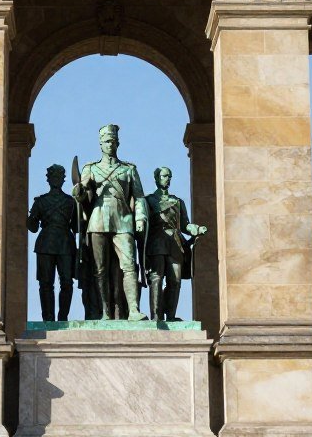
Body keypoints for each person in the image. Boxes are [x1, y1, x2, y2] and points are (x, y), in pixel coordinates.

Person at [72, 123, 148, 321]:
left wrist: (140, 217)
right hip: (97, 220)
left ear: (118, 143)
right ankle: (104, 312)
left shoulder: (129, 169)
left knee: (130, 264)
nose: (110, 145)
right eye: (106, 141)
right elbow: (83, 194)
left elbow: (139, 197)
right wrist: (78, 192)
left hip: (123, 220)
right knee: (99, 269)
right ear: (100, 144)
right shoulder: (91, 168)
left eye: (113, 141)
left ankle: (133, 310)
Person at [144, 166, 207, 322]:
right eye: (164, 176)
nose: (167, 179)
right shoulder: (149, 200)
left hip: (175, 244)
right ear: (156, 178)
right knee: (156, 279)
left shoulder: (178, 201)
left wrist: (196, 229)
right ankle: (156, 316)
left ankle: (170, 316)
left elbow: (185, 225)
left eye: (169, 176)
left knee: (175, 280)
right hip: (157, 242)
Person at [27, 163, 77, 322]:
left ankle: (63, 317)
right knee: (46, 283)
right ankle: (48, 318)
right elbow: (33, 227)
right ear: (48, 179)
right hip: (46, 244)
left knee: (67, 283)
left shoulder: (71, 202)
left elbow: (76, 226)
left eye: (59, 177)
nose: (56, 180)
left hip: (64, 245)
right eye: (53, 177)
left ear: (63, 180)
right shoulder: (40, 202)